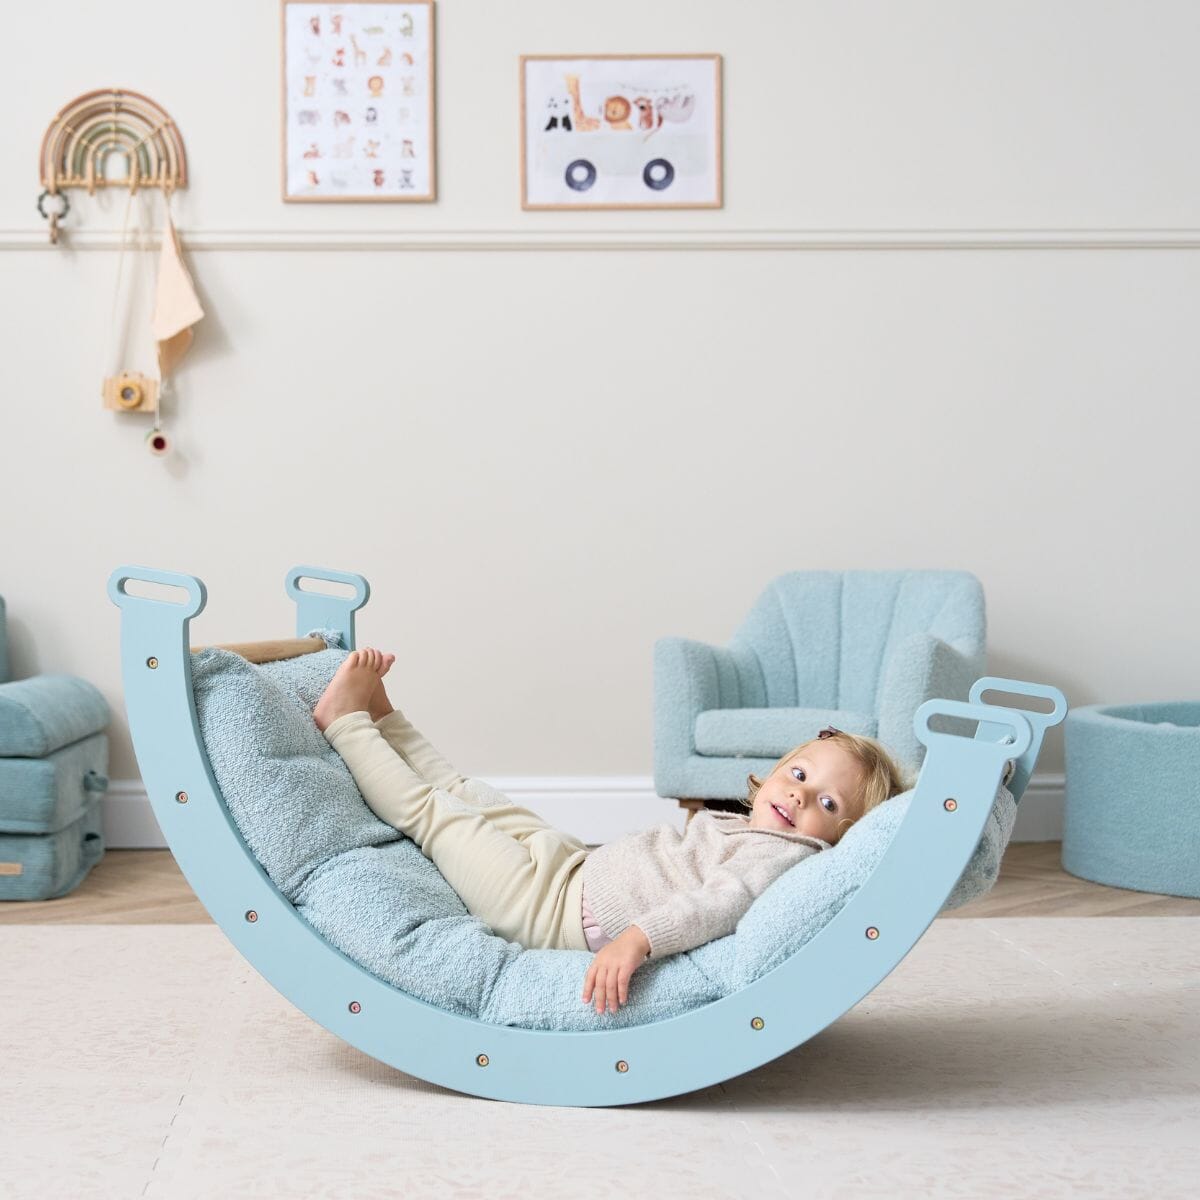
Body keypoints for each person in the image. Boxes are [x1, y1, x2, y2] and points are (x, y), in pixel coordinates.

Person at [313, 649, 908, 1016]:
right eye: (799, 775)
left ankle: (345, 725)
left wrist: (637, 941)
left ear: (839, 835)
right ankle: (388, 720)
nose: (800, 795)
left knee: (434, 814)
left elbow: (717, 905)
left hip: (543, 911)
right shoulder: (749, 828)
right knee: (466, 791)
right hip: (568, 868)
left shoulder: (778, 856)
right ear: (776, 772)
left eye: (826, 802)